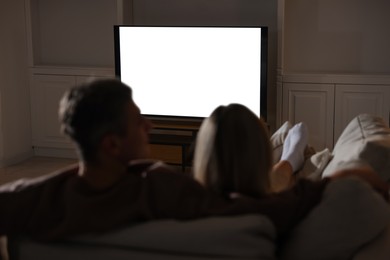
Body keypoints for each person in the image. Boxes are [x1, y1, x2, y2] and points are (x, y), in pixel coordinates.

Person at [193, 103, 389, 200]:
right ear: (261, 157)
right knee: (276, 180)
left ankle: (289, 159)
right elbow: (351, 177)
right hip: (263, 192)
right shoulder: (274, 208)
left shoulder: (185, 203)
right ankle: (289, 160)